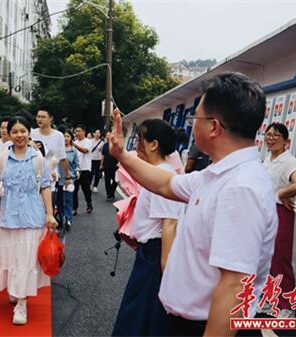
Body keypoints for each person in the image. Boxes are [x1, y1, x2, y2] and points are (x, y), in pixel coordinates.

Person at [109, 72, 278, 336]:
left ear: (213, 127)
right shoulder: (217, 175)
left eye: (195, 118)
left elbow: (234, 286)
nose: (192, 125)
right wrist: (121, 155)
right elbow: (165, 184)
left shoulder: (240, 188)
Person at [112, 119, 182, 336]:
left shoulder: (164, 175)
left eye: (139, 139)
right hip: (150, 252)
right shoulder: (158, 172)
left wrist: (166, 269)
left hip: (156, 254)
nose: (136, 146)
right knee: (141, 313)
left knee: (142, 314)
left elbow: (169, 224)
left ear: (153, 144)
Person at [0, 116, 57, 325]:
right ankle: (15, 289)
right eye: (15, 132)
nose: (19, 135)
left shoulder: (37, 158)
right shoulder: (1, 158)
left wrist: (49, 213)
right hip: (9, 216)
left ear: (29, 133)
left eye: (23, 131)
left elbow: (45, 186)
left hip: (32, 215)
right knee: (10, 258)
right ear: (9, 134)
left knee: (26, 259)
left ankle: (21, 302)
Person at [262, 122, 296, 318]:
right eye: (268, 134)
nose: (271, 138)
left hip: (281, 213)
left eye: (276, 135)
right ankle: (271, 299)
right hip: (265, 213)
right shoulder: (268, 159)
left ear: (286, 141)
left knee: (280, 259)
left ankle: (287, 305)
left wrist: (282, 194)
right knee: (266, 259)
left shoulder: (289, 161)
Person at [58, 129, 80, 231]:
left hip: (70, 179)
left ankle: (68, 219)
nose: (65, 138)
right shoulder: (57, 150)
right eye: (63, 136)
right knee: (59, 201)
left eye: (67, 136)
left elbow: (77, 164)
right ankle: (61, 217)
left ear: (71, 138)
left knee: (68, 200)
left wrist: (77, 171)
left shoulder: (73, 150)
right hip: (58, 178)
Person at [73, 124, 94, 214]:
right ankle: (75, 208)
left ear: (84, 132)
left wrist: (73, 144)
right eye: (76, 131)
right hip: (75, 169)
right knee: (74, 189)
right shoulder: (74, 142)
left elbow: (84, 150)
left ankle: (89, 203)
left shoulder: (88, 141)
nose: (77, 133)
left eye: (79, 131)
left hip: (85, 169)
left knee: (86, 189)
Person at [101, 131, 118, 201]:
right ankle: (109, 194)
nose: (108, 136)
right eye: (107, 135)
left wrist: (119, 162)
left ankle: (112, 192)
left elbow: (119, 155)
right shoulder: (105, 145)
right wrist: (101, 164)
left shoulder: (115, 145)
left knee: (116, 180)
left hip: (115, 165)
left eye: (109, 135)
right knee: (107, 180)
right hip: (106, 165)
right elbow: (103, 155)